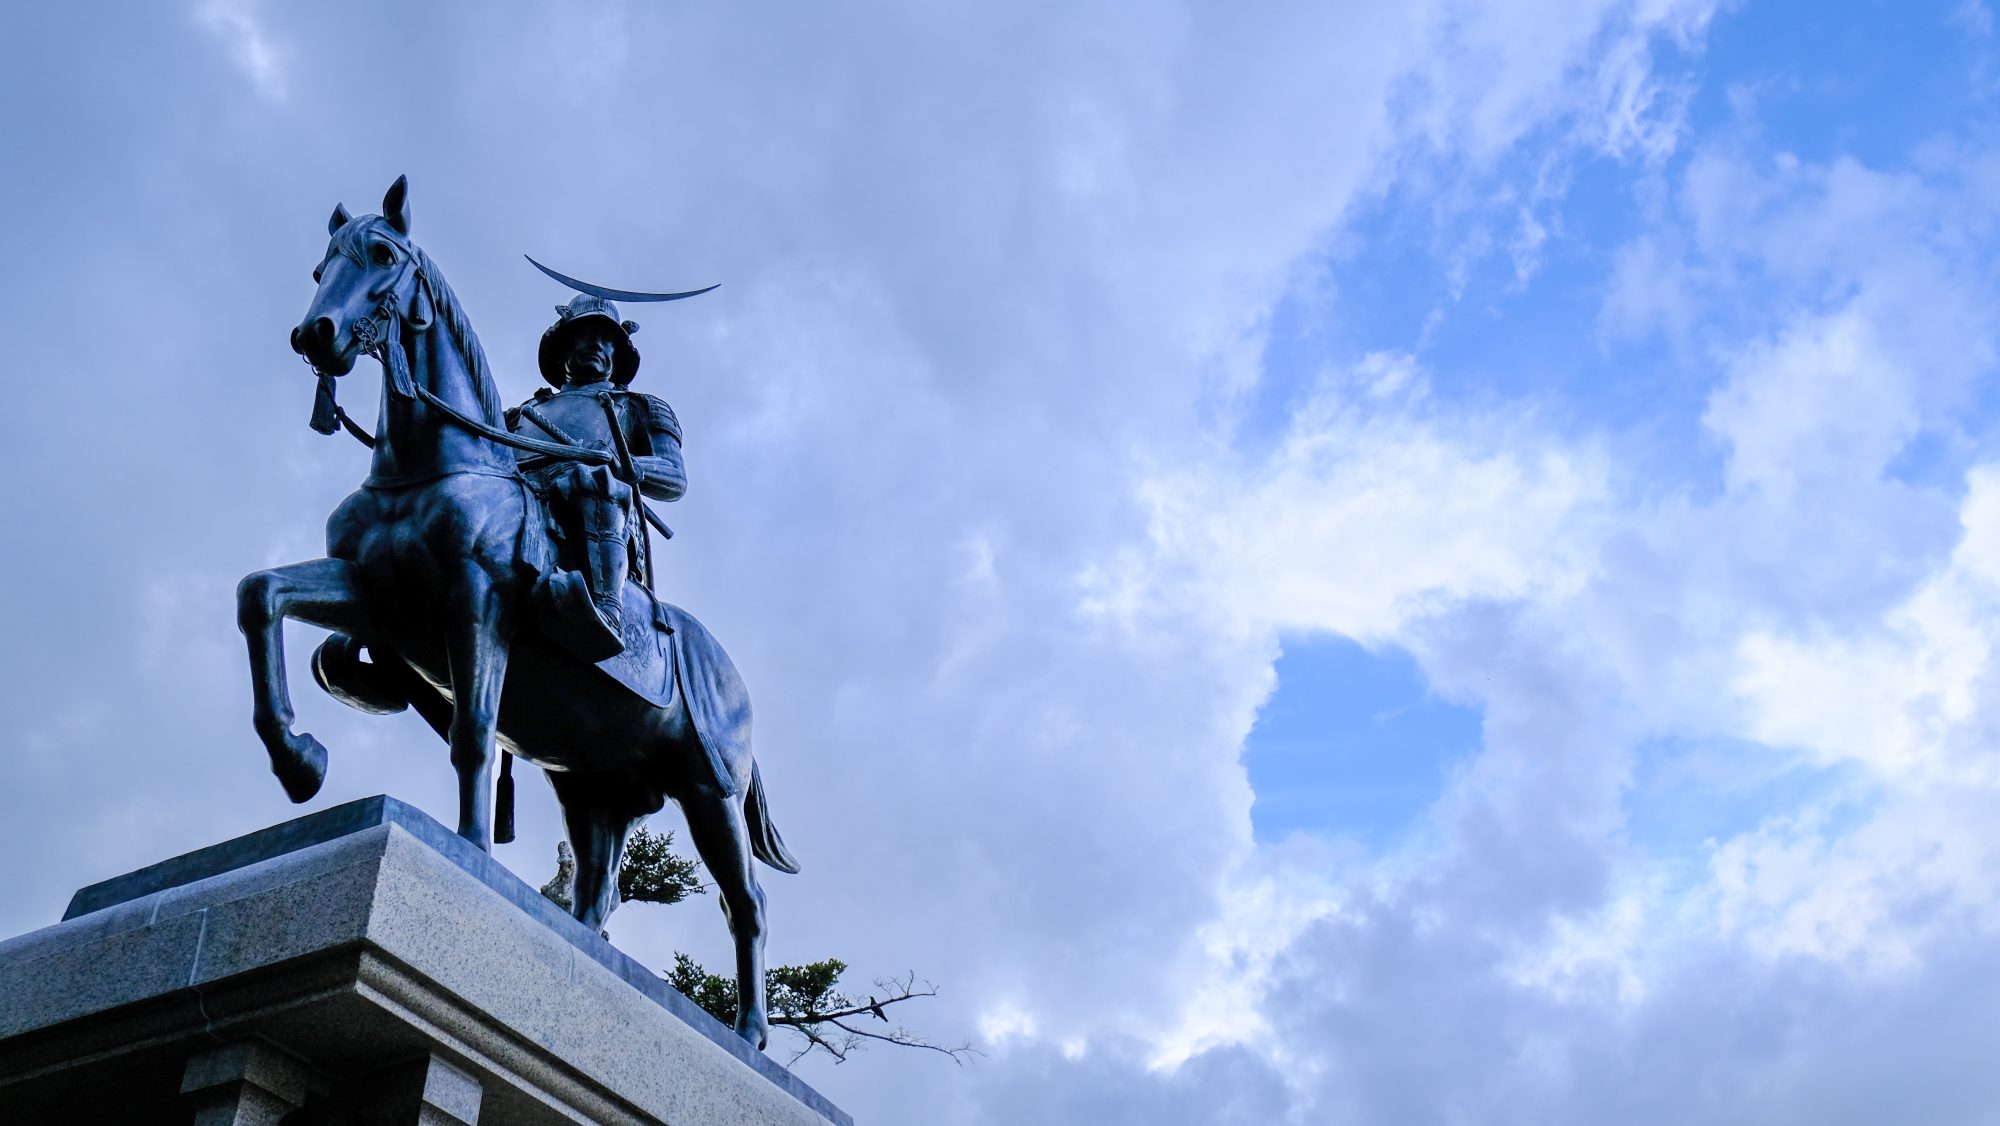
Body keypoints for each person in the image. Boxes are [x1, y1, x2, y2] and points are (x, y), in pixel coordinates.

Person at [508, 294, 686, 660]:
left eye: (607, 340)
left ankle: (607, 610)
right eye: (584, 334)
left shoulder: (639, 407)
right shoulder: (522, 414)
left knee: (596, 482)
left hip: (596, 510)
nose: (596, 345)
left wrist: (627, 465)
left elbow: (674, 478)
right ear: (562, 347)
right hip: (521, 503)